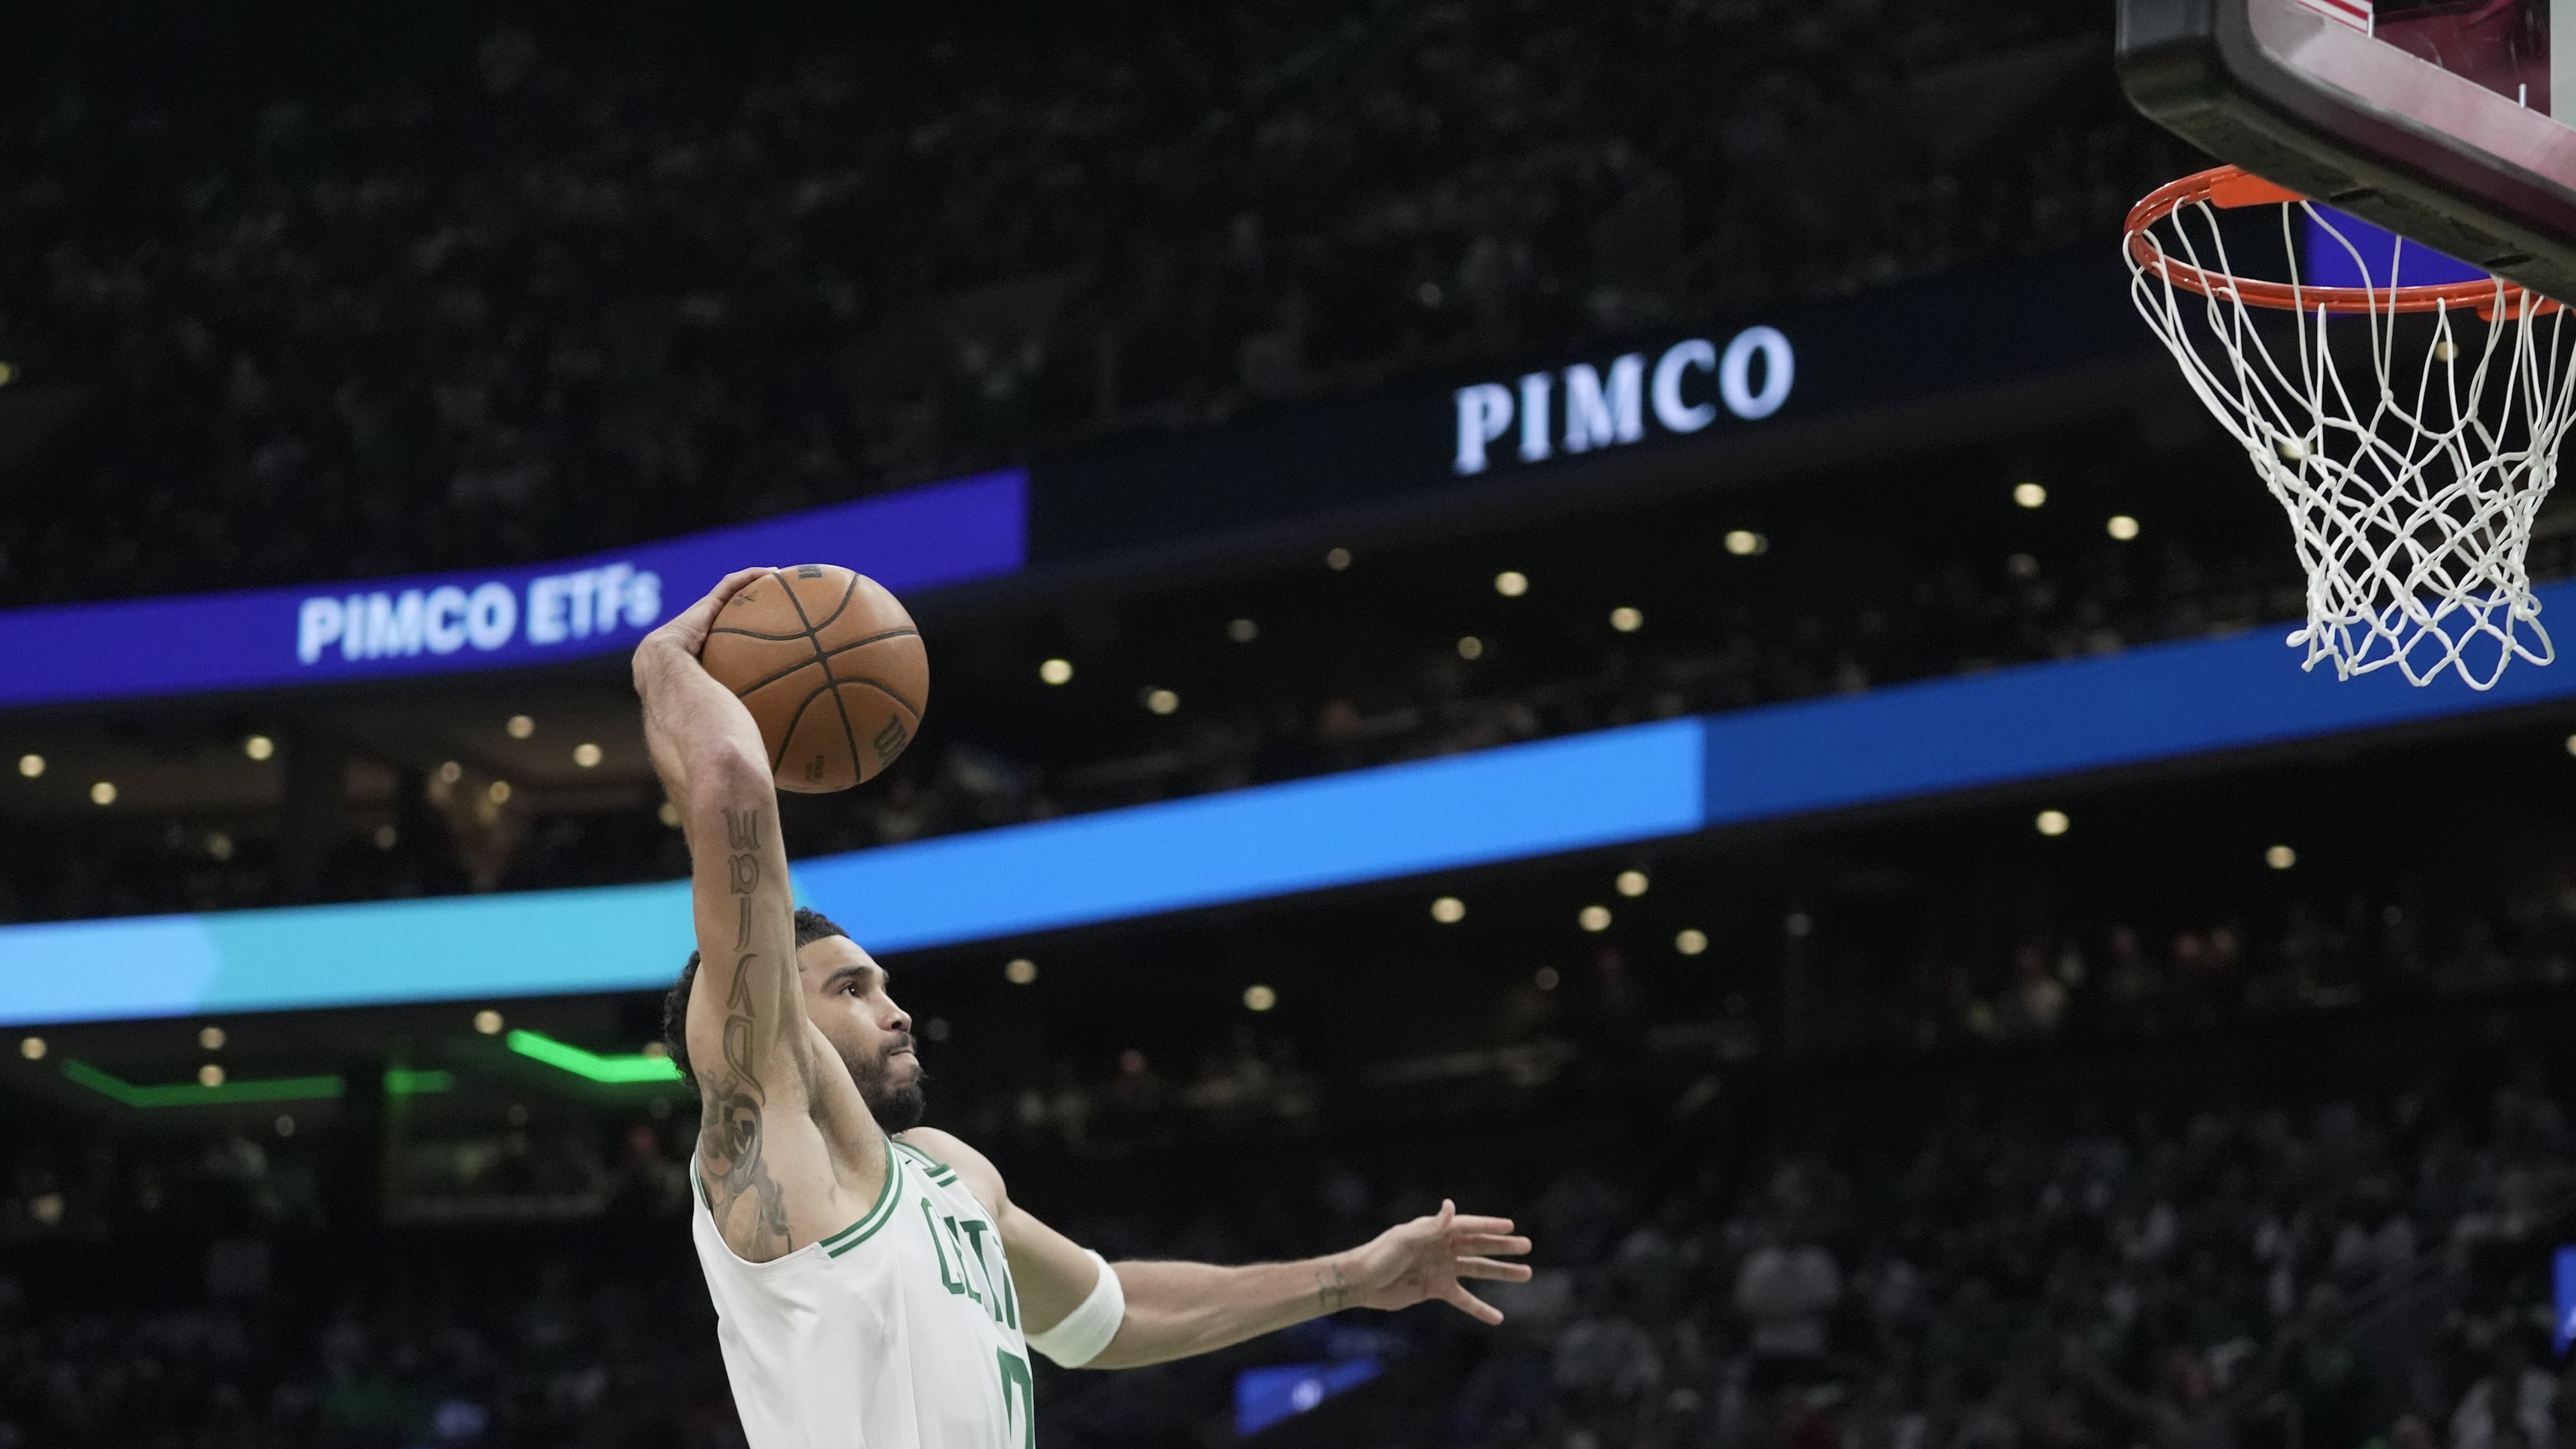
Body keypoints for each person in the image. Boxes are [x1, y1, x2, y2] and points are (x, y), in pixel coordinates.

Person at [635, 569, 1534, 1448]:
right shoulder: (765, 1146)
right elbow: (730, 782)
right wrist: (663, 665)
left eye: (886, 985)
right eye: (852, 989)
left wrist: (1348, 1278)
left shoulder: (951, 1174)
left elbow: (1109, 1312)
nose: (897, 1012)